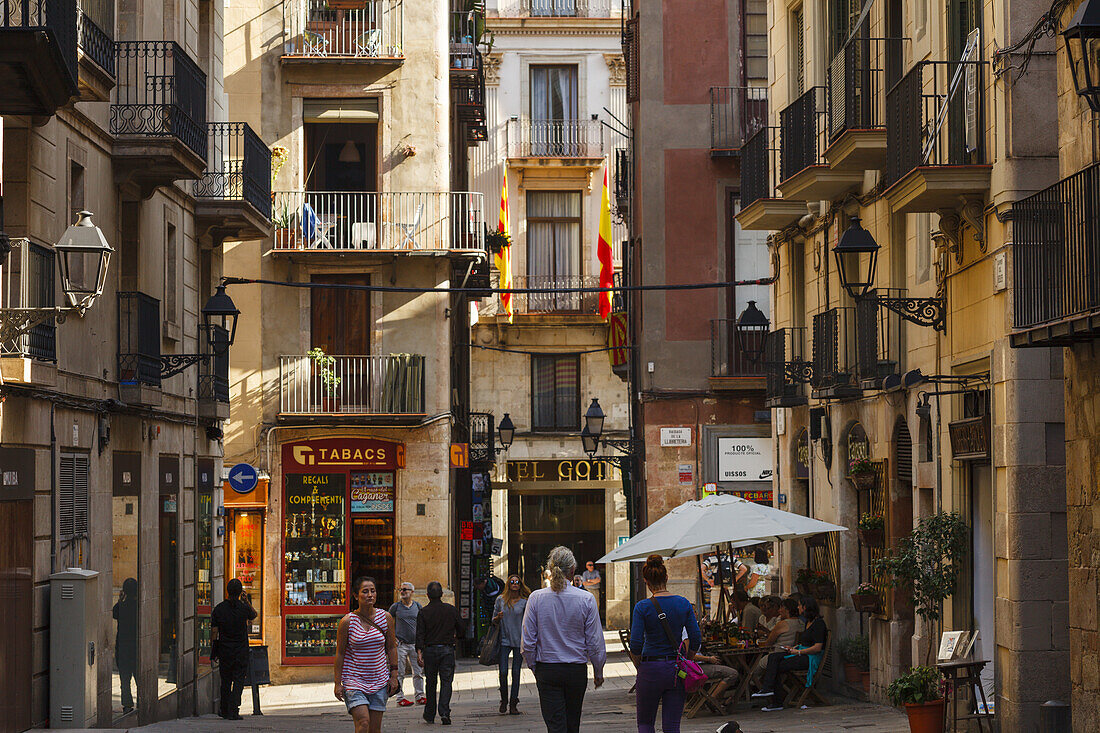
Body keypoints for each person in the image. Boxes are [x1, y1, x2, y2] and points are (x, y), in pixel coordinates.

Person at [522, 546, 606, 733]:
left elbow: (528, 640)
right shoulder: (586, 599)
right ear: (573, 570)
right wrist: (598, 670)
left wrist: (533, 666)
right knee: (572, 723)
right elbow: (594, 641)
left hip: (548, 668)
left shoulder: (536, 598)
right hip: (575, 670)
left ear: (550, 569)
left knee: (555, 725)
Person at [628, 555, 701, 733]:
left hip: (650, 667)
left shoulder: (642, 607)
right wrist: (688, 659)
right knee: (672, 726)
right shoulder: (683, 603)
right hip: (675, 668)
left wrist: (639, 664)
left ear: (646, 581)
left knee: (645, 723)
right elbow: (696, 637)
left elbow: (636, 644)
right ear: (666, 578)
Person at [335, 576, 399, 733]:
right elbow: (340, 654)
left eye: (373, 591)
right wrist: (338, 683)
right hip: (354, 680)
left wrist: (394, 675)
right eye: (365, 591)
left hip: (379, 680)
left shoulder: (386, 618)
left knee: (374, 729)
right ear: (356, 596)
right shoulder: (347, 622)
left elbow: (391, 647)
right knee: (363, 723)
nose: (370, 595)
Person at [752, 596, 828, 712]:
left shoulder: (819, 624)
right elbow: (805, 643)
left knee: (775, 665)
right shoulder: (807, 622)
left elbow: (817, 648)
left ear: (805, 607)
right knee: (773, 657)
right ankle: (768, 689)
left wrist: (798, 651)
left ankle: (776, 700)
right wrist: (793, 648)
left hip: (809, 657)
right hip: (801, 653)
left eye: (799, 605)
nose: (798, 607)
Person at [415, 581, 465, 725]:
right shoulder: (451, 609)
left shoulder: (423, 612)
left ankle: (430, 713)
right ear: (442, 595)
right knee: (446, 681)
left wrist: (419, 652)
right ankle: (444, 712)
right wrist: (456, 636)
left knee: (430, 683)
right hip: (447, 649)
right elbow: (461, 627)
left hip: (430, 650)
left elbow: (420, 634)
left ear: (427, 595)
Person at [211, 578, 258, 720]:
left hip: (225, 650)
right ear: (239, 592)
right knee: (238, 680)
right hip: (240, 650)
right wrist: (246, 600)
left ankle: (224, 709)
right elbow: (254, 614)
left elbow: (214, 632)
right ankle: (233, 709)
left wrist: (215, 649)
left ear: (227, 591)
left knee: (225, 680)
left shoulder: (219, 609)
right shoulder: (243, 608)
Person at [493, 574, 531, 715]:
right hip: (504, 640)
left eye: (517, 582)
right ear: (508, 584)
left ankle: (513, 703)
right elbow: (493, 620)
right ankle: (504, 700)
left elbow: (529, 622)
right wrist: (498, 618)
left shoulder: (524, 602)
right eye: (512, 582)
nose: (515, 584)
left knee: (516, 672)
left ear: (520, 585)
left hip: (519, 641)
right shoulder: (500, 600)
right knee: (503, 672)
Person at [387, 582, 425, 707]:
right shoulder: (395, 607)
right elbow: (388, 623)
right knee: (399, 672)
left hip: (415, 644)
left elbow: (422, 625)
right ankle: (400, 697)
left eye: (404, 589)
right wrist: (392, 639)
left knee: (418, 672)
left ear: (411, 592)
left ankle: (420, 696)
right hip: (400, 645)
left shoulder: (418, 606)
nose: (402, 592)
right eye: (400, 589)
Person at [751, 597, 805, 684]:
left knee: (755, 668)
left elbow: (768, 643)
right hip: (793, 656)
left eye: (781, 608)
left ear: (787, 610)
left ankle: (754, 686)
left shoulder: (782, 624)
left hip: (777, 656)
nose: (779, 611)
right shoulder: (802, 623)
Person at [112, 577, 138, 714]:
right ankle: (143, 701)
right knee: (139, 677)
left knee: (125, 679)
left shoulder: (122, 606)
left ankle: (127, 705)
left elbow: (114, 614)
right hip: (136, 646)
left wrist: (121, 599)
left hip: (123, 648)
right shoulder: (139, 606)